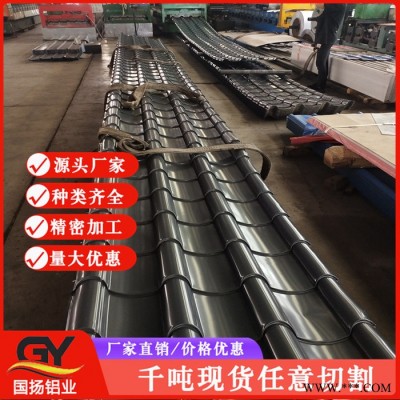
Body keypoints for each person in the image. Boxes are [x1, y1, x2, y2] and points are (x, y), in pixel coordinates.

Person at [309, 4, 347, 93]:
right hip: (324, 38)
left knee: (320, 63)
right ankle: (320, 84)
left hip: (327, 38)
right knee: (323, 62)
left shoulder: (339, 5)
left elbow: (321, 4)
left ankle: (321, 86)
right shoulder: (330, 10)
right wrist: (316, 42)